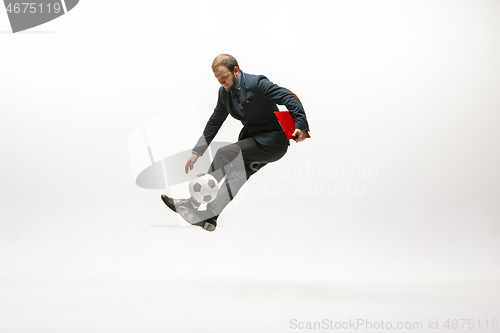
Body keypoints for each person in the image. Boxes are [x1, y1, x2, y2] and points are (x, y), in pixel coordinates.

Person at [161, 54, 310, 231]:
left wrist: (300, 125)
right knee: (237, 174)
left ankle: (194, 203)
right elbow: (214, 121)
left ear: (236, 71)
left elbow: (289, 97)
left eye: (224, 77)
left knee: (224, 153)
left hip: (273, 143)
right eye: (218, 79)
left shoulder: (257, 84)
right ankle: (211, 216)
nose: (221, 82)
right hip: (255, 142)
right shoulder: (224, 94)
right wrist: (197, 152)